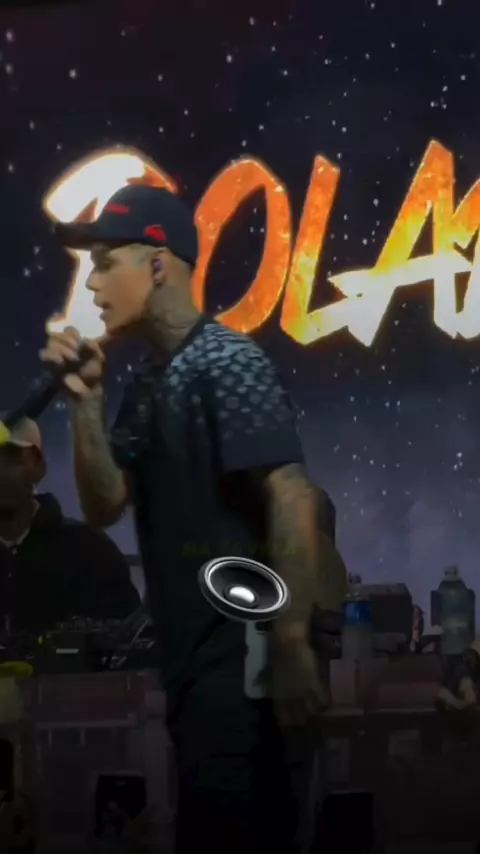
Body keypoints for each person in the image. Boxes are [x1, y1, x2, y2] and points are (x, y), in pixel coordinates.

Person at [41, 184, 326, 854]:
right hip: (193, 673)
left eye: (105, 263)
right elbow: (105, 504)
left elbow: (292, 495)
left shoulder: (227, 361)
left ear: (158, 264)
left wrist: (291, 644)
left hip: (243, 672)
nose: (93, 285)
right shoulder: (149, 381)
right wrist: (87, 403)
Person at [0, 416, 139, 640]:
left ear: (39, 468)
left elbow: (131, 638)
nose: (1, 470)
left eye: (12, 458)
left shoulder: (91, 550)